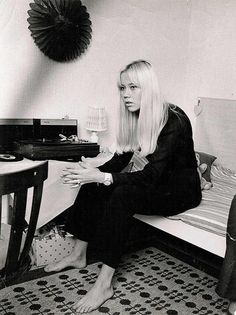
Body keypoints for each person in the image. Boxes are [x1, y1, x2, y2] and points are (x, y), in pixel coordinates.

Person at [44, 60, 202, 313]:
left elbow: (151, 175)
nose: (125, 94)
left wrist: (102, 178)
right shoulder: (137, 115)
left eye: (133, 87)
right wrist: (91, 174)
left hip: (180, 192)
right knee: (93, 184)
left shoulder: (175, 119)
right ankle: (78, 255)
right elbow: (121, 159)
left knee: (122, 194)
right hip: (158, 182)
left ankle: (105, 284)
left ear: (148, 88)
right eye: (122, 88)